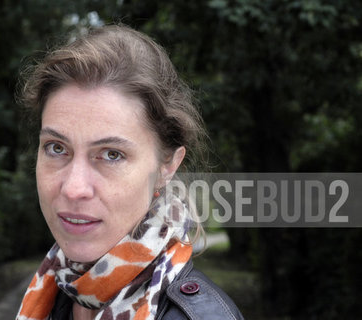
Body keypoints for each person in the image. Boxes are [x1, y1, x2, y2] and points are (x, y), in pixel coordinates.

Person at [15, 24, 244, 320]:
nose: (74, 188)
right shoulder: (52, 291)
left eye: (112, 155)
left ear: (167, 166)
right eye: (57, 148)